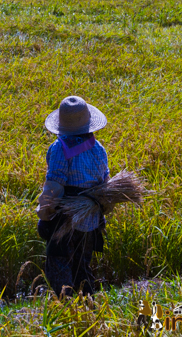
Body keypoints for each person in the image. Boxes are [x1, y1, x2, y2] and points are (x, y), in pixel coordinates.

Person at [36, 95, 109, 296]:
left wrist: (44, 214)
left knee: (60, 270)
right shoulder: (98, 149)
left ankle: (65, 316)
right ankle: (89, 315)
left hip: (65, 220)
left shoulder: (60, 148)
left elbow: (54, 187)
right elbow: (105, 185)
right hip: (90, 220)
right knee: (82, 270)